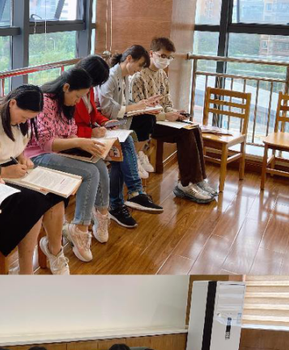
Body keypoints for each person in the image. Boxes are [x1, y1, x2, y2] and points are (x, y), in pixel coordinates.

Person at [0, 85, 69, 275]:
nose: (24, 121)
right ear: (12, 103)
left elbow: (16, 146)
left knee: (55, 196)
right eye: (23, 116)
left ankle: (55, 251)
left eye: (29, 118)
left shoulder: (19, 119)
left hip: (6, 168)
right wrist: (4, 171)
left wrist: (22, 158)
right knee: (33, 204)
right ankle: (25, 270)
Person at [25, 68, 110, 263]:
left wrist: (82, 143)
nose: (78, 101)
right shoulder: (45, 102)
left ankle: (102, 214)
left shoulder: (67, 104)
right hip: (36, 156)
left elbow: (70, 131)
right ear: (66, 87)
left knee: (99, 164)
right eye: (77, 96)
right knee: (90, 172)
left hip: (56, 153)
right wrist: (79, 142)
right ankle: (80, 228)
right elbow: (46, 143)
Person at [75, 56, 162, 229]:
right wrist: (91, 131)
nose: (94, 87)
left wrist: (105, 122)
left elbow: (94, 115)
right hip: (80, 138)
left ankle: (129, 196)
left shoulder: (89, 89)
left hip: (93, 131)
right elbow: (68, 127)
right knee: (122, 147)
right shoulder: (73, 91)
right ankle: (130, 195)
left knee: (124, 141)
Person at [130, 37, 216, 204]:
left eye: (169, 57)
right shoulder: (138, 76)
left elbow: (167, 103)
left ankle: (198, 180)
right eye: (162, 56)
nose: (165, 60)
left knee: (194, 128)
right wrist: (165, 116)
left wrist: (175, 113)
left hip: (163, 119)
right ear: (151, 54)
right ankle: (185, 184)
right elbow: (139, 112)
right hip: (146, 123)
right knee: (185, 134)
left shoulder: (162, 74)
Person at [95, 45, 162, 183]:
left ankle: (136, 155)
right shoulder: (111, 76)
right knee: (145, 121)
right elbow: (106, 108)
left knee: (150, 118)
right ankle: (133, 159)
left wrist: (144, 104)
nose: (139, 70)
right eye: (139, 65)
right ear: (129, 59)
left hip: (121, 115)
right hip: (109, 119)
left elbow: (125, 102)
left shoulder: (124, 76)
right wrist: (134, 107)